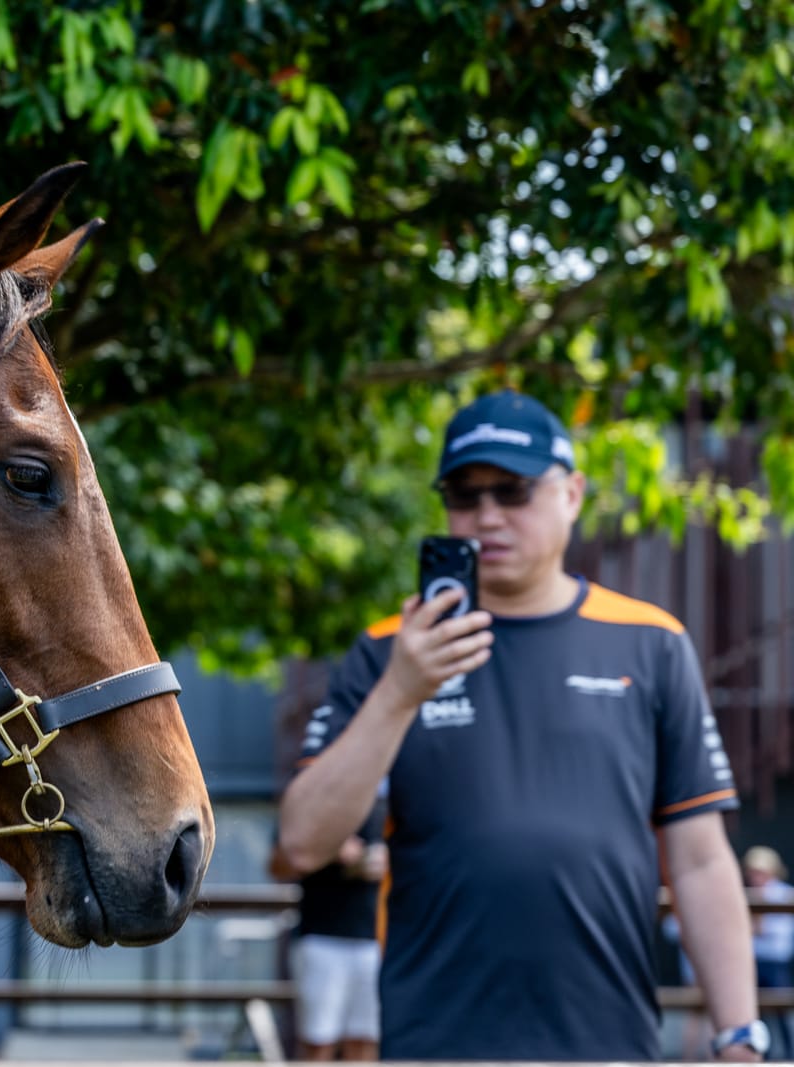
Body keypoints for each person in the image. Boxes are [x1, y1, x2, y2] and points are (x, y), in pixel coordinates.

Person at [278, 390, 765, 1061]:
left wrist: (739, 1032)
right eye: (464, 494)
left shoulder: (650, 642)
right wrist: (400, 691)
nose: (486, 516)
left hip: (608, 1041)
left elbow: (701, 857)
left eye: (514, 491)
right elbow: (304, 841)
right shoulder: (391, 650)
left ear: (572, 492)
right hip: (434, 1042)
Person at [269, 788, 387, 1061]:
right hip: (321, 938)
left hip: (376, 942)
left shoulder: (391, 801)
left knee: (365, 1044)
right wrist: (329, 849)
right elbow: (277, 864)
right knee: (317, 1044)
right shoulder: (313, 798)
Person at [744, 847, 794, 1055]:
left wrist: (757, 929)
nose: (756, 876)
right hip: (754, 962)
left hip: (776, 963)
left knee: (782, 1012)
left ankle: (790, 1053)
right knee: (756, 1015)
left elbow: (780, 933)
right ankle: (764, 1055)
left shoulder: (785, 893)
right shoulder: (746, 893)